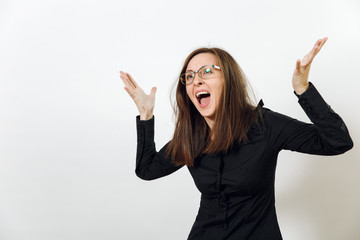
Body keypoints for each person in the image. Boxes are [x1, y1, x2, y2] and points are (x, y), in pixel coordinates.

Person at [120, 37, 353, 240]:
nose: (196, 80)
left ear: (228, 80)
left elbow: (338, 140)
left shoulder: (265, 125)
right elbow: (146, 170)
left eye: (207, 71)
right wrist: (146, 116)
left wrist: (303, 89)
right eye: (189, 76)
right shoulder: (191, 137)